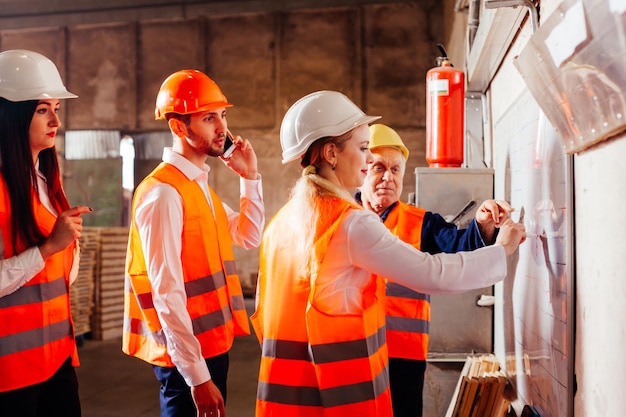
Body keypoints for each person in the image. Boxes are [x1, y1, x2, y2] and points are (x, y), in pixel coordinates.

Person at [250, 90, 526, 417]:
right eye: (364, 149)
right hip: (341, 397)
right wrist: (503, 249)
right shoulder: (351, 224)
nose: (368, 161)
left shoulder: (280, 225)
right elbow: (433, 273)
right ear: (331, 153)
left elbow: (265, 315)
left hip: (285, 400)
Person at [122, 69, 265, 417]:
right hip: (185, 361)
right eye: (208, 118)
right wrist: (197, 377)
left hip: (212, 347)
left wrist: (250, 177)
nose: (222, 128)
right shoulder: (163, 194)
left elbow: (249, 235)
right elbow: (165, 292)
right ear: (178, 127)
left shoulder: (197, 186)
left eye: (223, 116)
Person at [357, 123, 512, 417]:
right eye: (378, 168)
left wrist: (483, 223)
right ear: (362, 171)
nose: (388, 178)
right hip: (354, 350)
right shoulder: (343, 219)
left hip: (402, 356)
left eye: (395, 170)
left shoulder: (421, 222)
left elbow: (459, 245)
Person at [0, 49, 92, 416]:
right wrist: (50, 247)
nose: (55, 119)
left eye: (57, 107)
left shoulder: (46, 183)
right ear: (10, 115)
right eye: (42, 109)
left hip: (56, 359)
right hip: (10, 375)